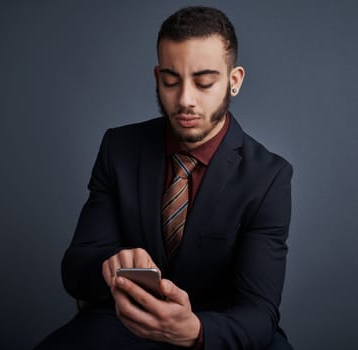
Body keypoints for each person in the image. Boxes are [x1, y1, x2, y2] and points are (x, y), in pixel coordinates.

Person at [36, 6, 293, 350]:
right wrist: (111, 265)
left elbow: (259, 312)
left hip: (217, 333)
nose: (185, 99)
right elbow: (76, 267)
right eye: (171, 81)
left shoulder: (269, 177)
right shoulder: (119, 148)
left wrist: (195, 331)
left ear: (234, 81)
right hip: (126, 324)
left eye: (204, 82)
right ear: (157, 76)